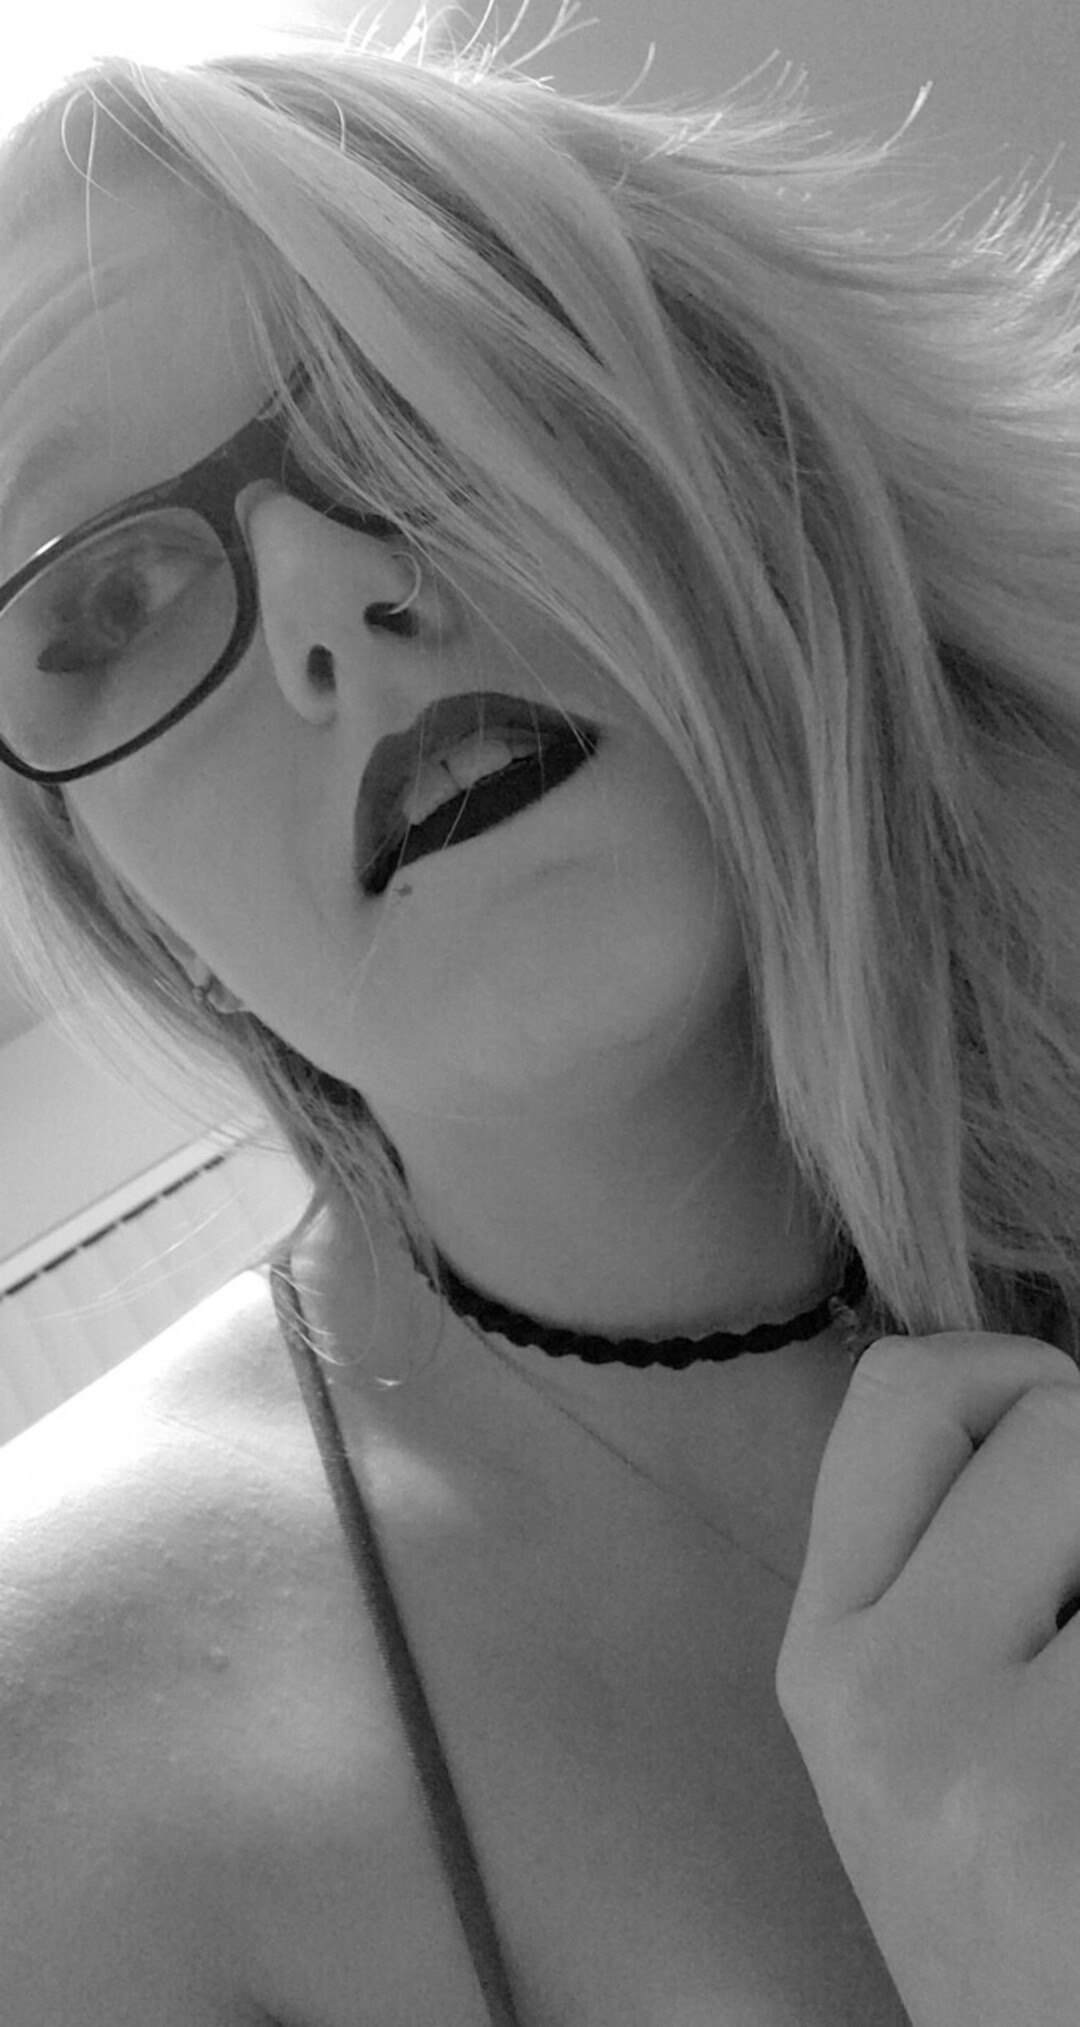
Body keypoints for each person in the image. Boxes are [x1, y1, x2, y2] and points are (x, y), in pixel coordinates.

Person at [0, 12, 1077, 2023]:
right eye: (104, 612)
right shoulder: (50, 1758)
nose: (323, 608)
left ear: (718, 467)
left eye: (398, 400)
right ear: (143, 915)